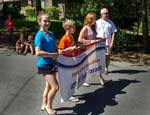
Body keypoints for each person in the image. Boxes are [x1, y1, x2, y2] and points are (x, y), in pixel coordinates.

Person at [34, 12, 59, 115]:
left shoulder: (51, 33)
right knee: (55, 87)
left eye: (48, 21)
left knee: (48, 86)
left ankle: (44, 104)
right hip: (44, 64)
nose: (47, 23)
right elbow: (38, 53)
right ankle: (49, 107)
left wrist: (57, 54)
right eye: (45, 21)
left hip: (53, 63)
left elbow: (54, 47)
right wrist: (52, 54)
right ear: (40, 22)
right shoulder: (39, 36)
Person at [78, 12, 106, 87]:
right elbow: (80, 39)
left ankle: (100, 79)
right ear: (89, 19)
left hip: (93, 49)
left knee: (94, 64)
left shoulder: (92, 28)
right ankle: (84, 80)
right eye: (94, 18)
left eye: (95, 18)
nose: (95, 20)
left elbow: (93, 38)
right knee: (90, 65)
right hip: (87, 50)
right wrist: (91, 41)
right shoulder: (85, 28)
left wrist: (99, 39)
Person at [58, 19, 80, 102]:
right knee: (66, 79)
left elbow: (72, 47)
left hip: (70, 60)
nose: (74, 29)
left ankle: (69, 93)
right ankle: (66, 95)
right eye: (73, 27)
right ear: (68, 28)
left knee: (71, 78)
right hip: (64, 62)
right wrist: (70, 48)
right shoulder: (64, 39)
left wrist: (76, 47)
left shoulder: (71, 37)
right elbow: (60, 51)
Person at [96, 8, 117, 74]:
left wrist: (112, 42)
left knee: (107, 56)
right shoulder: (97, 22)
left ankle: (106, 68)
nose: (107, 15)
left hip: (108, 42)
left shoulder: (110, 22)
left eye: (108, 13)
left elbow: (113, 32)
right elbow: (94, 32)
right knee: (99, 56)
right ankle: (99, 68)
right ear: (101, 14)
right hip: (99, 43)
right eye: (106, 13)